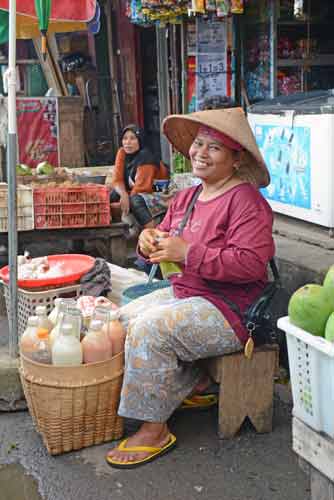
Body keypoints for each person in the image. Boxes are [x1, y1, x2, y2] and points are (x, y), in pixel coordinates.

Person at [106, 107, 275, 469]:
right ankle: (189, 383)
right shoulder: (188, 197)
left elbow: (250, 264)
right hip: (189, 294)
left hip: (232, 309)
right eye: (198, 144)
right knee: (119, 320)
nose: (200, 152)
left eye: (214, 148)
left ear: (235, 158)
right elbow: (161, 239)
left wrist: (189, 253)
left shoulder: (247, 202)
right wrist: (148, 241)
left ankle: (154, 430)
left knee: (151, 331)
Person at [109, 124, 170, 235]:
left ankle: (153, 234)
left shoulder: (146, 156)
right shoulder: (122, 153)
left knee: (134, 200)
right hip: (138, 191)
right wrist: (123, 194)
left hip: (159, 192)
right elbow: (117, 180)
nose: (127, 142)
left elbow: (143, 188)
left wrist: (126, 201)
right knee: (112, 195)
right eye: (125, 138)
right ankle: (114, 232)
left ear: (140, 140)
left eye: (132, 138)